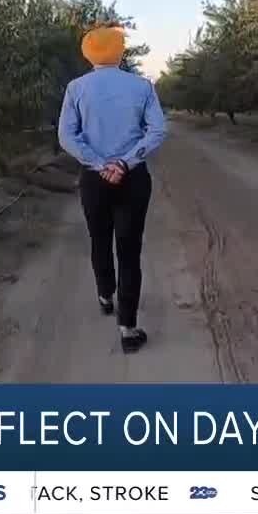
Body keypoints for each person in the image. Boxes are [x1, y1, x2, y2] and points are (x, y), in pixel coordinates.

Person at [59, 26, 167, 353]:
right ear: (121, 52)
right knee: (130, 249)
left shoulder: (76, 88)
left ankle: (105, 295)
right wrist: (124, 162)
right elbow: (158, 130)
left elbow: (67, 136)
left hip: (94, 179)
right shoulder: (142, 86)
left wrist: (99, 163)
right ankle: (128, 329)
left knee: (100, 239)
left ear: (87, 52)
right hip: (132, 178)